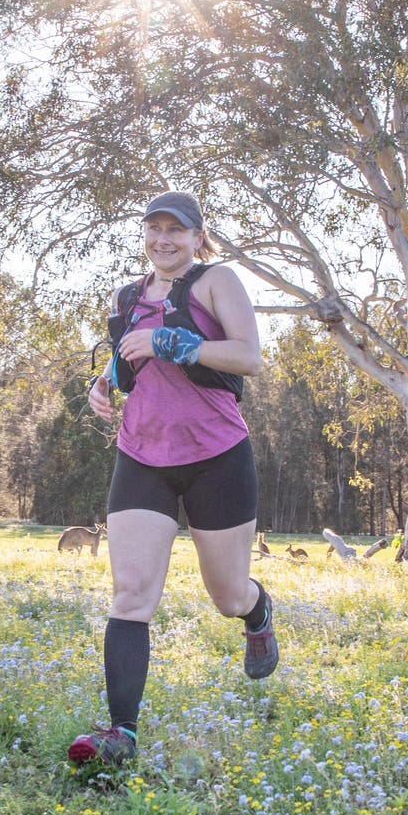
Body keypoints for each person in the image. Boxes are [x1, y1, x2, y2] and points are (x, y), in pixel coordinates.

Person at [69, 191, 274, 768]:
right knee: (132, 594)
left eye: (176, 230)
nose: (164, 239)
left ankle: (256, 612)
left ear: (197, 237)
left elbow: (249, 357)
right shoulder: (128, 296)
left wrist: (177, 342)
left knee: (226, 595)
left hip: (217, 455)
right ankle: (121, 734)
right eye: (154, 228)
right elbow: (126, 358)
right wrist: (105, 382)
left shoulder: (216, 282)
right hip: (142, 456)